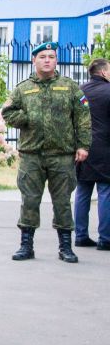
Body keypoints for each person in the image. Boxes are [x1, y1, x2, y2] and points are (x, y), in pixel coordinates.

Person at [2, 41, 91, 263]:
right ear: (34, 60)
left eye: (51, 56)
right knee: (29, 200)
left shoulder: (69, 87)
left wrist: (83, 145)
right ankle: (26, 246)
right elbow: (7, 112)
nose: (47, 60)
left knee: (62, 201)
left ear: (56, 60)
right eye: (43, 57)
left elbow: (83, 117)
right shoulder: (23, 89)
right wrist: (24, 119)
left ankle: (65, 247)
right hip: (32, 155)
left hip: (61, 155)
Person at [74, 58, 110, 251]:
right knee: (105, 192)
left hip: (82, 149)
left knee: (82, 191)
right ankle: (105, 238)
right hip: (105, 149)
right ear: (103, 72)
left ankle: (80, 236)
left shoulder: (79, 92)